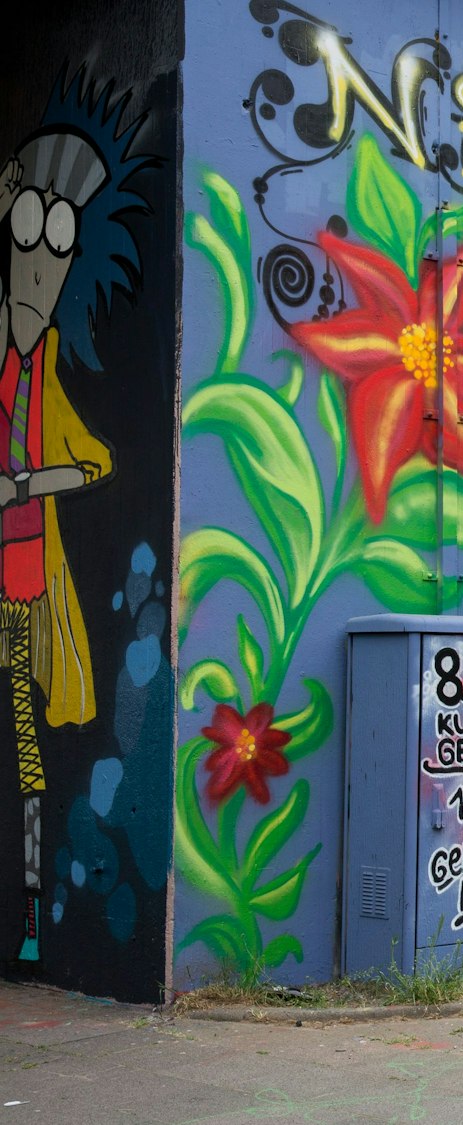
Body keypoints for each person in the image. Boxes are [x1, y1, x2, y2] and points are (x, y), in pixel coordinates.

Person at [0, 86, 145, 960]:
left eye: (58, 245)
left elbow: (95, 459)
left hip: (24, 583)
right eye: (30, 233)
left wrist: (30, 481)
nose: (41, 265)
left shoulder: (45, 360)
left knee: (24, 744)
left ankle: (24, 923)